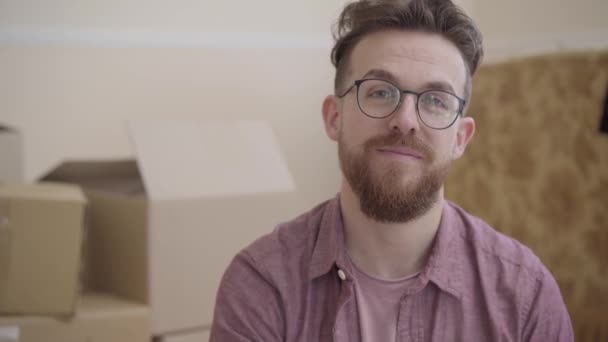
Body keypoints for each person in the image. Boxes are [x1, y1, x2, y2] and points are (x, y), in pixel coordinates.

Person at [210, 0, 574, 341]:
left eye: (435, 101)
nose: (405, 121)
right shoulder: (262, 285)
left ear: (461, 138)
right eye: (381, 92)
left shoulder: (525, 296)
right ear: (334, 118)